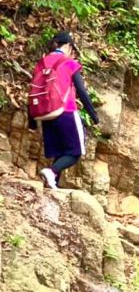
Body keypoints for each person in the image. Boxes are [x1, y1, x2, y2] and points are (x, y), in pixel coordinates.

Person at [27, 31, 99, 188]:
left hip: (46, 113)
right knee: (74, 152)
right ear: (67, 46)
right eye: (72, 48)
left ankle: (52, 184)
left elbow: (33, 89)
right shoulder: (69, 63)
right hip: (66, 111)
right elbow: (81, 91)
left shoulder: (42, 62)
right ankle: (51, 172)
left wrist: (31, 120)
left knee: (60, 152)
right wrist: (94, 115)